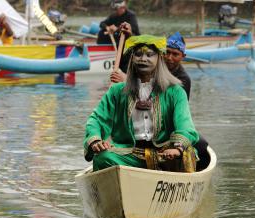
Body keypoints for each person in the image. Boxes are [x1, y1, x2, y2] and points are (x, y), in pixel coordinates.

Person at [84, 35, 199, 173]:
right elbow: (96, 119)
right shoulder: (117, 91)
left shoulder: (175, 91)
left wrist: (178, 148)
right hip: (129, 153)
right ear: (132, 58)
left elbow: (185, 124)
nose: (143, 59)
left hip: (165, 153)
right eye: (138, 54)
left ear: (159, 58)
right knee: (102, 157)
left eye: (149, 55)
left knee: (187, 154)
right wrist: (96, 141)